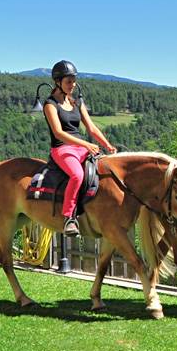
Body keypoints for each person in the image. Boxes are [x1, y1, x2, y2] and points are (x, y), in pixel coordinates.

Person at [43, 60, 116, 236]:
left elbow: (91, 128)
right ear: (58, 82)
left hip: (81, 148)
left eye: (74, 81)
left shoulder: (77, 103)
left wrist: (107, 145)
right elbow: (58, 133)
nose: (73, 85)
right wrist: (86, 144)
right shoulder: (50, 104)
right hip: (62, 149)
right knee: (77, 175)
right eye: (69, 82)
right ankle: (69, 218)